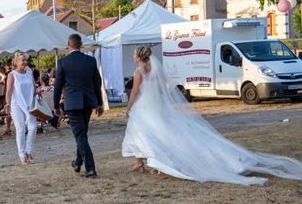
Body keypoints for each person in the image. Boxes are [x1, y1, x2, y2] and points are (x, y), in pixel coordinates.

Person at [122, 46, 302, 184]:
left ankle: (153, 161)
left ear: (138, 56)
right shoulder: (156, 69)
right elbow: (163, 90)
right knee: (153, 132)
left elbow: (136, 90)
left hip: (145, 105)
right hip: (157, 105)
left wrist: (129, 106)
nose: (132, 57)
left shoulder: (139, 71)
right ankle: (140, 162)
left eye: (133, 54)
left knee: (145, 132)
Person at [53, 34, 104, 177]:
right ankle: (77, 163)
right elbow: (97, 83)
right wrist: (99, 103)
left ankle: (91, 168)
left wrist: (56, 105)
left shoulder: (63, 62)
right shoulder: (90, 61)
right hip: (88, 102)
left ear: (68, 44)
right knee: (82, 134)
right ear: (81, 44)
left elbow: (58, 86)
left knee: (80, 135)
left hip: (73, 103)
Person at [5, 52, 38, 165]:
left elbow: (33, 86)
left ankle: (28, 151)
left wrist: (38, 94)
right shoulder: (12, 74)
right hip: (16, 104)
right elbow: (9, 91)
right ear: (16, 62)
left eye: (25, 60)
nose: (24, 62)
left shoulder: (29, 71)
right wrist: (7, 103)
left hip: (30, 103)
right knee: (21, 129)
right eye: (22, 60)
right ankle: (22, 155)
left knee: (33, 127)